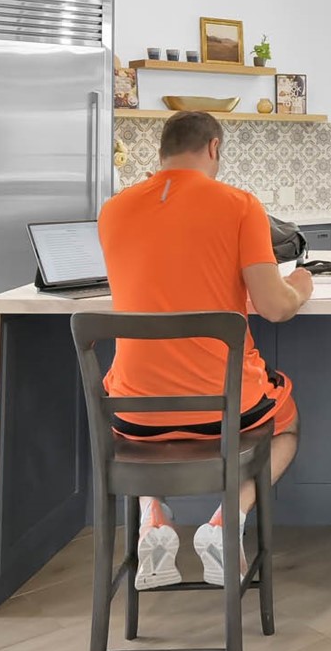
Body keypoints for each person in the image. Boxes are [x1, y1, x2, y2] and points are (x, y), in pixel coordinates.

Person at [96, 110, 311, 588]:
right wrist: (301, 283)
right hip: (225, 412)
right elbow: (275, 307)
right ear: (214, 147)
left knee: (142, 438)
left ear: (162, 151)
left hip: (133, 416)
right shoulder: (240, 205)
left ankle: (152, 517)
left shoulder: (113, 210)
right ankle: (226, 520)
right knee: (288, 425)